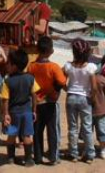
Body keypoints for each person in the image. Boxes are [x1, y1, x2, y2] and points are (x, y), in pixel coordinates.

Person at [29, 35, 67, 165]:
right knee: (53, 131)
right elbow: (62, 81)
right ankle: (53, 157)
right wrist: (54, 91)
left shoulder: (31, 66)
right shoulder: (54, 67)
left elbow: (29, 83)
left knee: (37, 131)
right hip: (50, 103)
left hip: (36, 103)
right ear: (51, 50)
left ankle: (38, 157)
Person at [1, 49, 39, 167]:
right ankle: (28, 159)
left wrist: (6, 114)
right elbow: (34, 96)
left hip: (13, 113)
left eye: (8, 63)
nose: (6, 66)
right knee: (27, 136)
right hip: (27, 112)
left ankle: (11, 158)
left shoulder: (7, 81)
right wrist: (34, 111)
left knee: (11, 135)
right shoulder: (30, 78)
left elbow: (5, 100)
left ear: (14, 66)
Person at [63, 39, 97, 163]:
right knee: (87, 127)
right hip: (85, 98)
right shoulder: (91, 67)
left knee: (72, 127)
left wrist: (67, 89)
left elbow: (61, 81)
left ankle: (73, 153)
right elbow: (94, 87)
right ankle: (90, 154)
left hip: (71, 97)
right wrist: (92, 98)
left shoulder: (67, 66)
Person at [92, 54, 105, 160]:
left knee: (88, 129)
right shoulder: (102, 79)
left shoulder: (87, 79)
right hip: (101, 109)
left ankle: (89, 149)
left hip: (89, 109)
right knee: (102, 129)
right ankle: (103, 150)